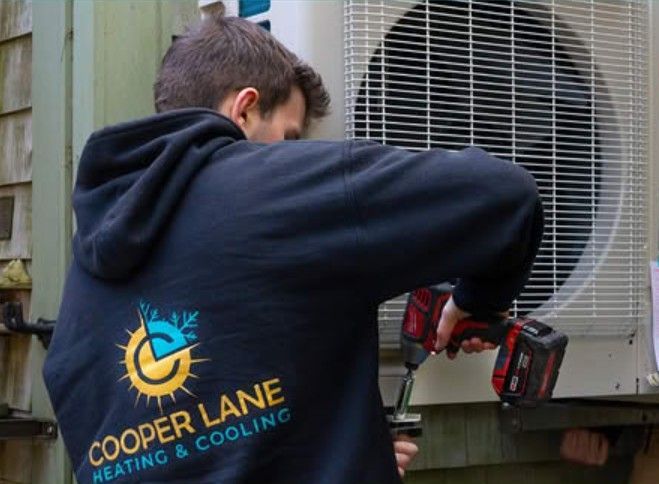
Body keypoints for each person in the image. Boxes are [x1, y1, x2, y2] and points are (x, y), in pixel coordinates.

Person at [43, 16, 543, 484]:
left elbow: (204, 437)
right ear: (243, 108)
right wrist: (476, 302)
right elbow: (507, 198)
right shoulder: (279, 189)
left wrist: (344, 453)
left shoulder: (80, 304)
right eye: (289, 137)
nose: (292, 154)